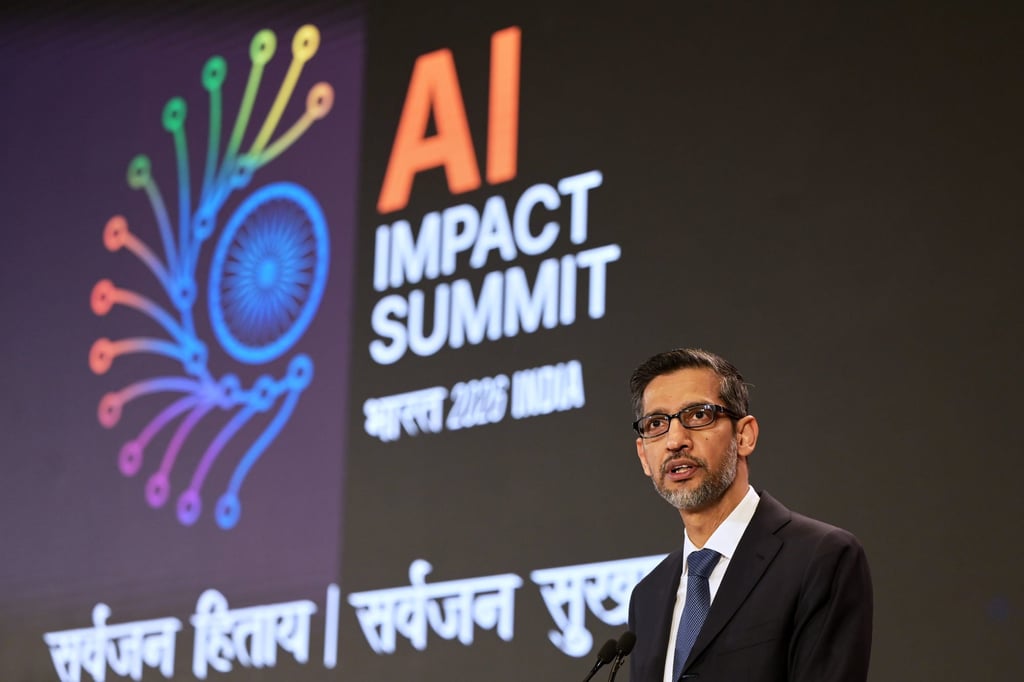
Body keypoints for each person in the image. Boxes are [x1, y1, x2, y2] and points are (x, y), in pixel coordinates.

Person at [626, 348, 872, 682]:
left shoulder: (820, 557)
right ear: (643, 455)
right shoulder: (648, 596)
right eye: (656, 424)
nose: (675, 440)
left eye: (698, 416)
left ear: (744, 435)